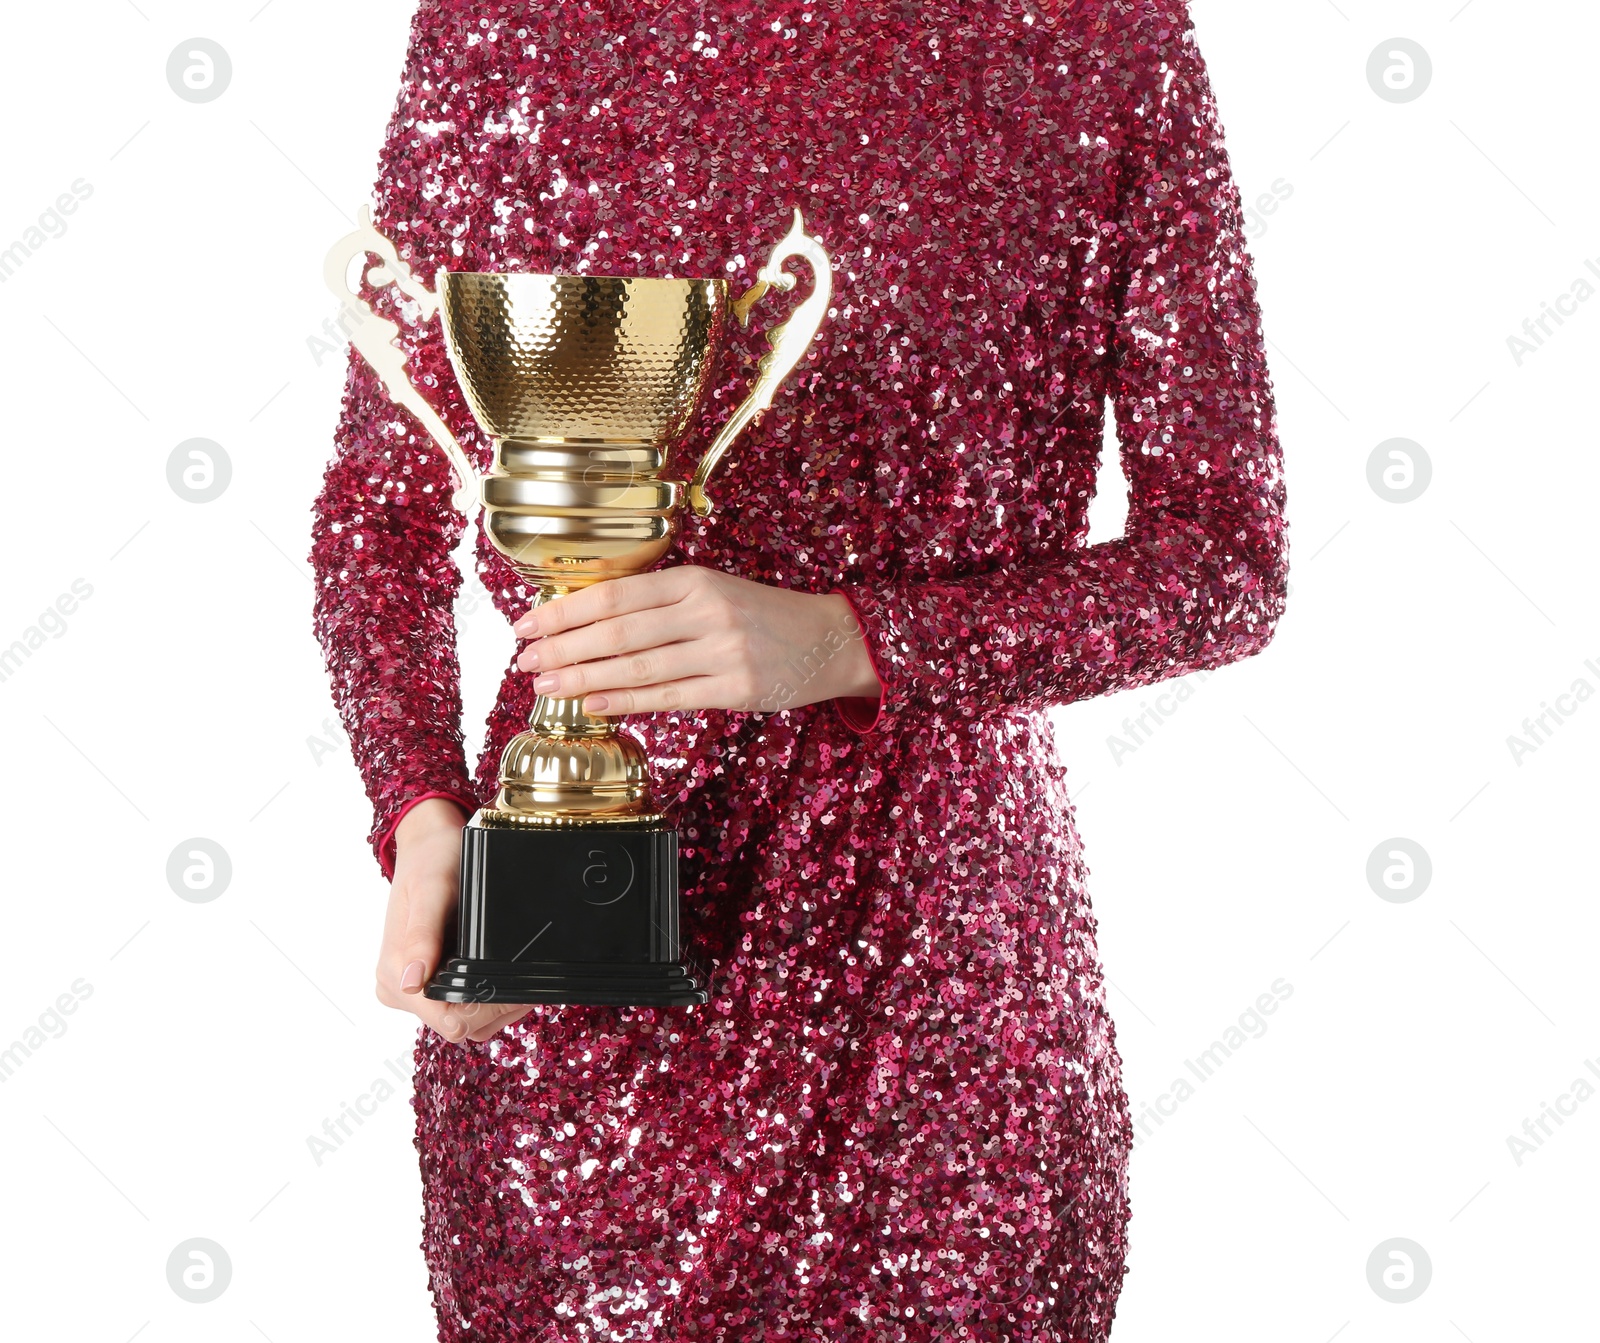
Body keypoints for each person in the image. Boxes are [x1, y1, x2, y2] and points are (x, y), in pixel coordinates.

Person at [309, 1, 1289, 1337]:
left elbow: (1223, 563)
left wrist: (840, 638)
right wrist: (422, 821)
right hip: (571, 975)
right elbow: (382, 518)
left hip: (939, 996)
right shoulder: (500, 25)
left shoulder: (1096, 35)